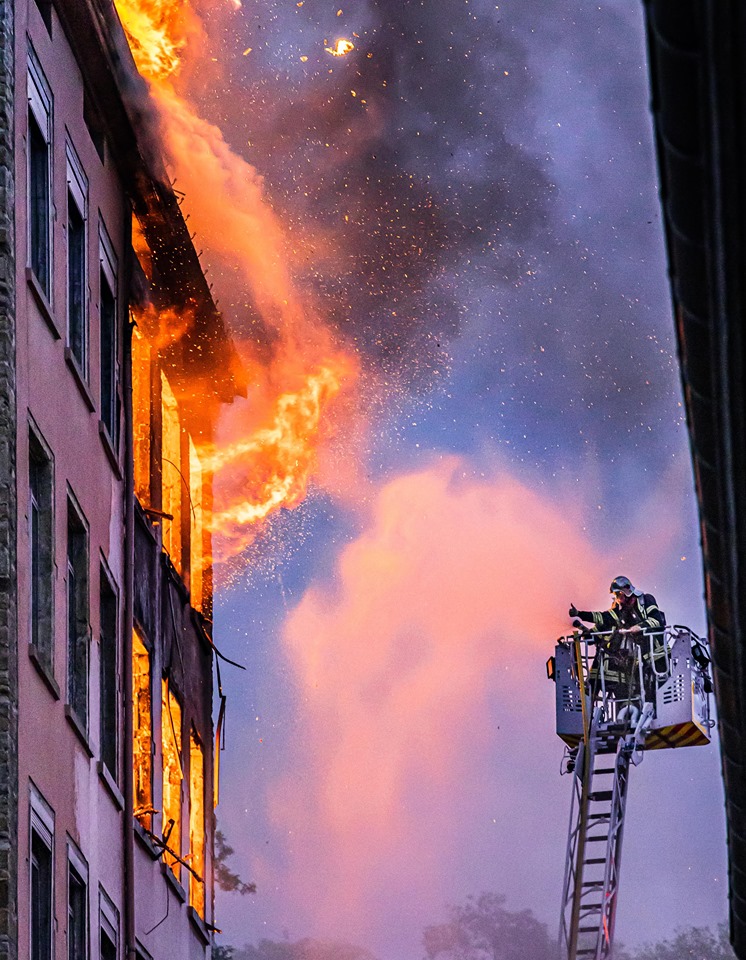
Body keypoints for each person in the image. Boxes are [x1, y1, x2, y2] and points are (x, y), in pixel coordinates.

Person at [569, 575, 667, 706]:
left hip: (657, 654)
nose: (619, 599)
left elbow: (657, 621)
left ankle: (653, 707)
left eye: (620, 594)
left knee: (657, 688)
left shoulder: (646, 600)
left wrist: (639, 627)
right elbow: (602, 617)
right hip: (636, 660)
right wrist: (580, 614)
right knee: (636, 690)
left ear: (627, 591)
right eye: (616, 596)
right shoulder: (619, 612)